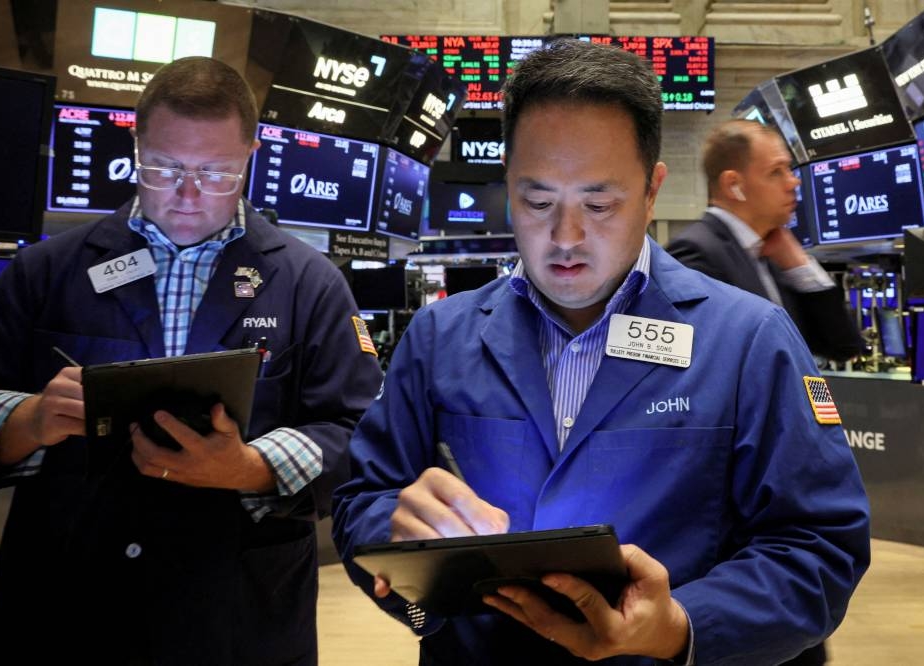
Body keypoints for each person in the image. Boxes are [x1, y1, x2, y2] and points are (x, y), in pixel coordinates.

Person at [332, 39, 870, 665]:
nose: (566, 238)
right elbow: (361, 501)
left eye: (599, 203)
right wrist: (398, 534)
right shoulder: (439, 339)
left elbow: (819, 547)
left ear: (651, 190)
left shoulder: (749, 341)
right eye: (537, 202)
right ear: (508, 185)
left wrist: (679, 625)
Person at [0, 57, 383, 664]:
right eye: (165, 168)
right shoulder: (47, 272)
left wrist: (250, 467)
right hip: (64, 606)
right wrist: (30, 421)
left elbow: (358, 433)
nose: (189, 194)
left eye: (218, 172)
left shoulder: (311, 284)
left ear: (250, 155)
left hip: (237, 614)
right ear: (136, 143)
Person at [667, 119, 863, 364]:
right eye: (776, 172)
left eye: (788, 169)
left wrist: (800, 266)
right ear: (733, 184)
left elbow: (844, 346)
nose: (793, 182)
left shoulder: (772, 255)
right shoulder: (695, 253)